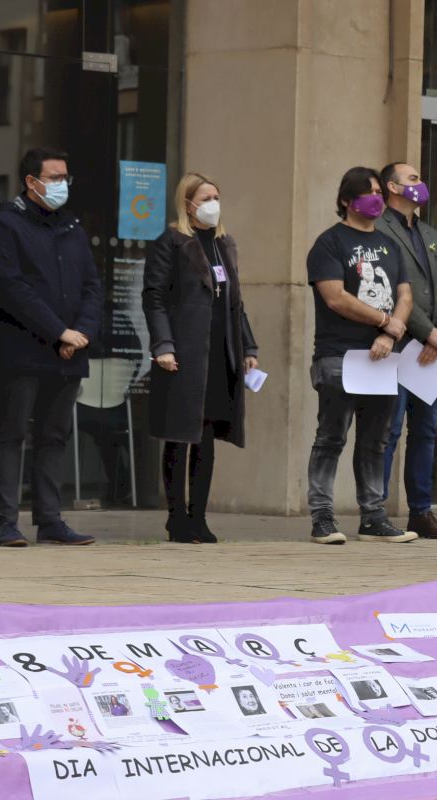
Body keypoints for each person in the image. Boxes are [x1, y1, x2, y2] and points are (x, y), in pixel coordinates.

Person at [0, 147, 101, 547]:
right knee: (10, 435)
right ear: (31, 182)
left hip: (69, 351)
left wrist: (80, 333)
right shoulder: (6, 225)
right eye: (54, 178)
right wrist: (58, 332)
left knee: (54, 436)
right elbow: (12, 289)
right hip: (21, 352)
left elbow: (91, 286)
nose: (62, 184)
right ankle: (6, 523)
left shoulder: (73, 227)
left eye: (65, 177)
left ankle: (50, 520)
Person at [143, 173, 258, 545]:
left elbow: (236, 303)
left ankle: (199, 517)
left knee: (206, 436)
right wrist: (163, 344)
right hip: (184, 352)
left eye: (216, 197)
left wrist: (248, 348)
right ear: (188, 204)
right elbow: (154, 297)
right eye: (206, 198)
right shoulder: (171, 243)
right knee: (180, 435)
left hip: (220, 352)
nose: (213, 205)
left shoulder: (224, 244)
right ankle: (176, 517)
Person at [305, 167, 417, 545]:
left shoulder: (390, 245)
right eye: (368, 192)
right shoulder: (329, 243)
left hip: (382, 359)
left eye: (378, 192)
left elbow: (405, 296)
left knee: (375, 441)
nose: (376, 198)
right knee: (331, 438)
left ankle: (373, 516)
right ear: (346, 200)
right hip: (340, 356)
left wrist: (389, 332)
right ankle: (322, 518)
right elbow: (335, 297)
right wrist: (384, 321)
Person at [376, 162, 437, 540]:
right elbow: (393, 289)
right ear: (392, 187)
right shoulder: (380, 229)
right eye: (412, 179)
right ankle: (376, 510)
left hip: (431, 354)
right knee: (389, 430)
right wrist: (428, 332)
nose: (419, 184)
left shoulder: (432, 235)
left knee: (426, 432)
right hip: (399, 346)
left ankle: (421, 512)